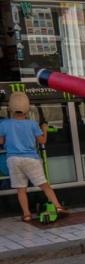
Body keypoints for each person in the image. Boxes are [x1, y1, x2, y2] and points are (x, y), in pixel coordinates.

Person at [0, 92, 67, 222]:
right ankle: (58, 207)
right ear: (27, 109)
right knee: (44, 185)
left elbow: (1, 141)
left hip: (13, 159)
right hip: (31, 159)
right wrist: (44, 129)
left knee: (21, 189)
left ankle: (26, 215)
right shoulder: (32, 124)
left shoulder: (4, 124)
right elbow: (42, 141)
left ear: (10, 109)